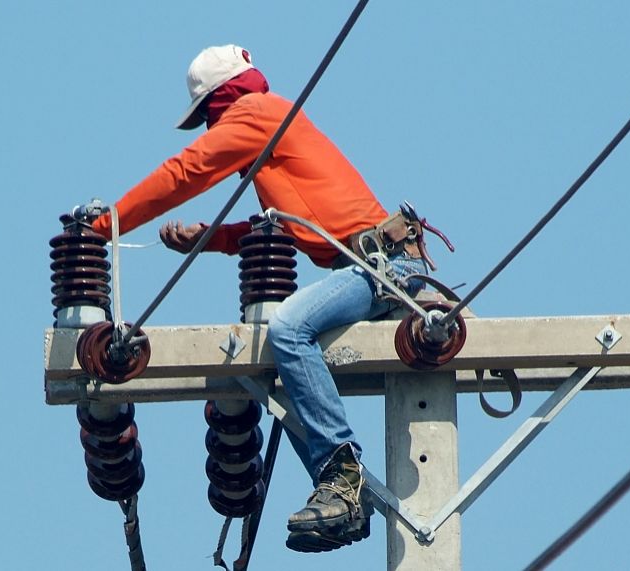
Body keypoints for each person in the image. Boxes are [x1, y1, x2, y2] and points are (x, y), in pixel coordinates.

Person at [87, 44, 430, 553]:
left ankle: (341, 471)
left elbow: (186, 172)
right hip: (365, 266)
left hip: (384, 267)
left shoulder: (255, 114)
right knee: (285, 366)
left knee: (288, 330)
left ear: (220, 100)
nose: (208, 129)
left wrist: (104, 225)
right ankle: (344, 499)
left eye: (207, 116)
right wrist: (215, 237)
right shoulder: (272, 131)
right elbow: (291, 224)